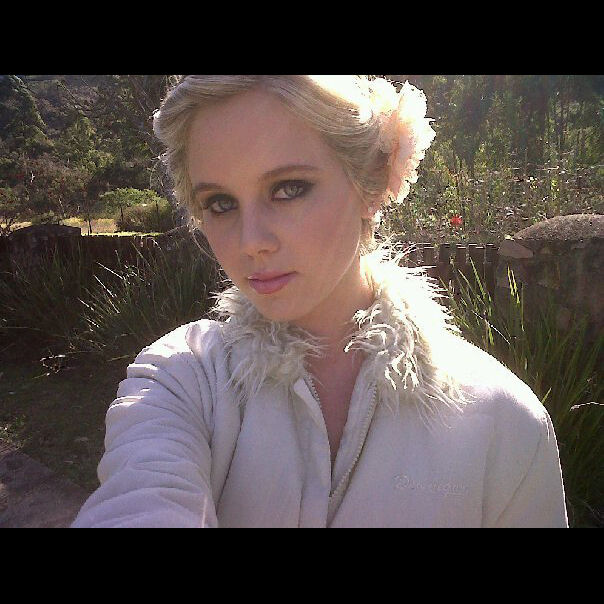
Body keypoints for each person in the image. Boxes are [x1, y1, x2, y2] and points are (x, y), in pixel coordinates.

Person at [71, 75, 568, 528]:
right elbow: (138, 499)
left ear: (371, 181)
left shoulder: (503, 422)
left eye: (288, 189)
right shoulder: (181, 378)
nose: (250, 241)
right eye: (220, 203)